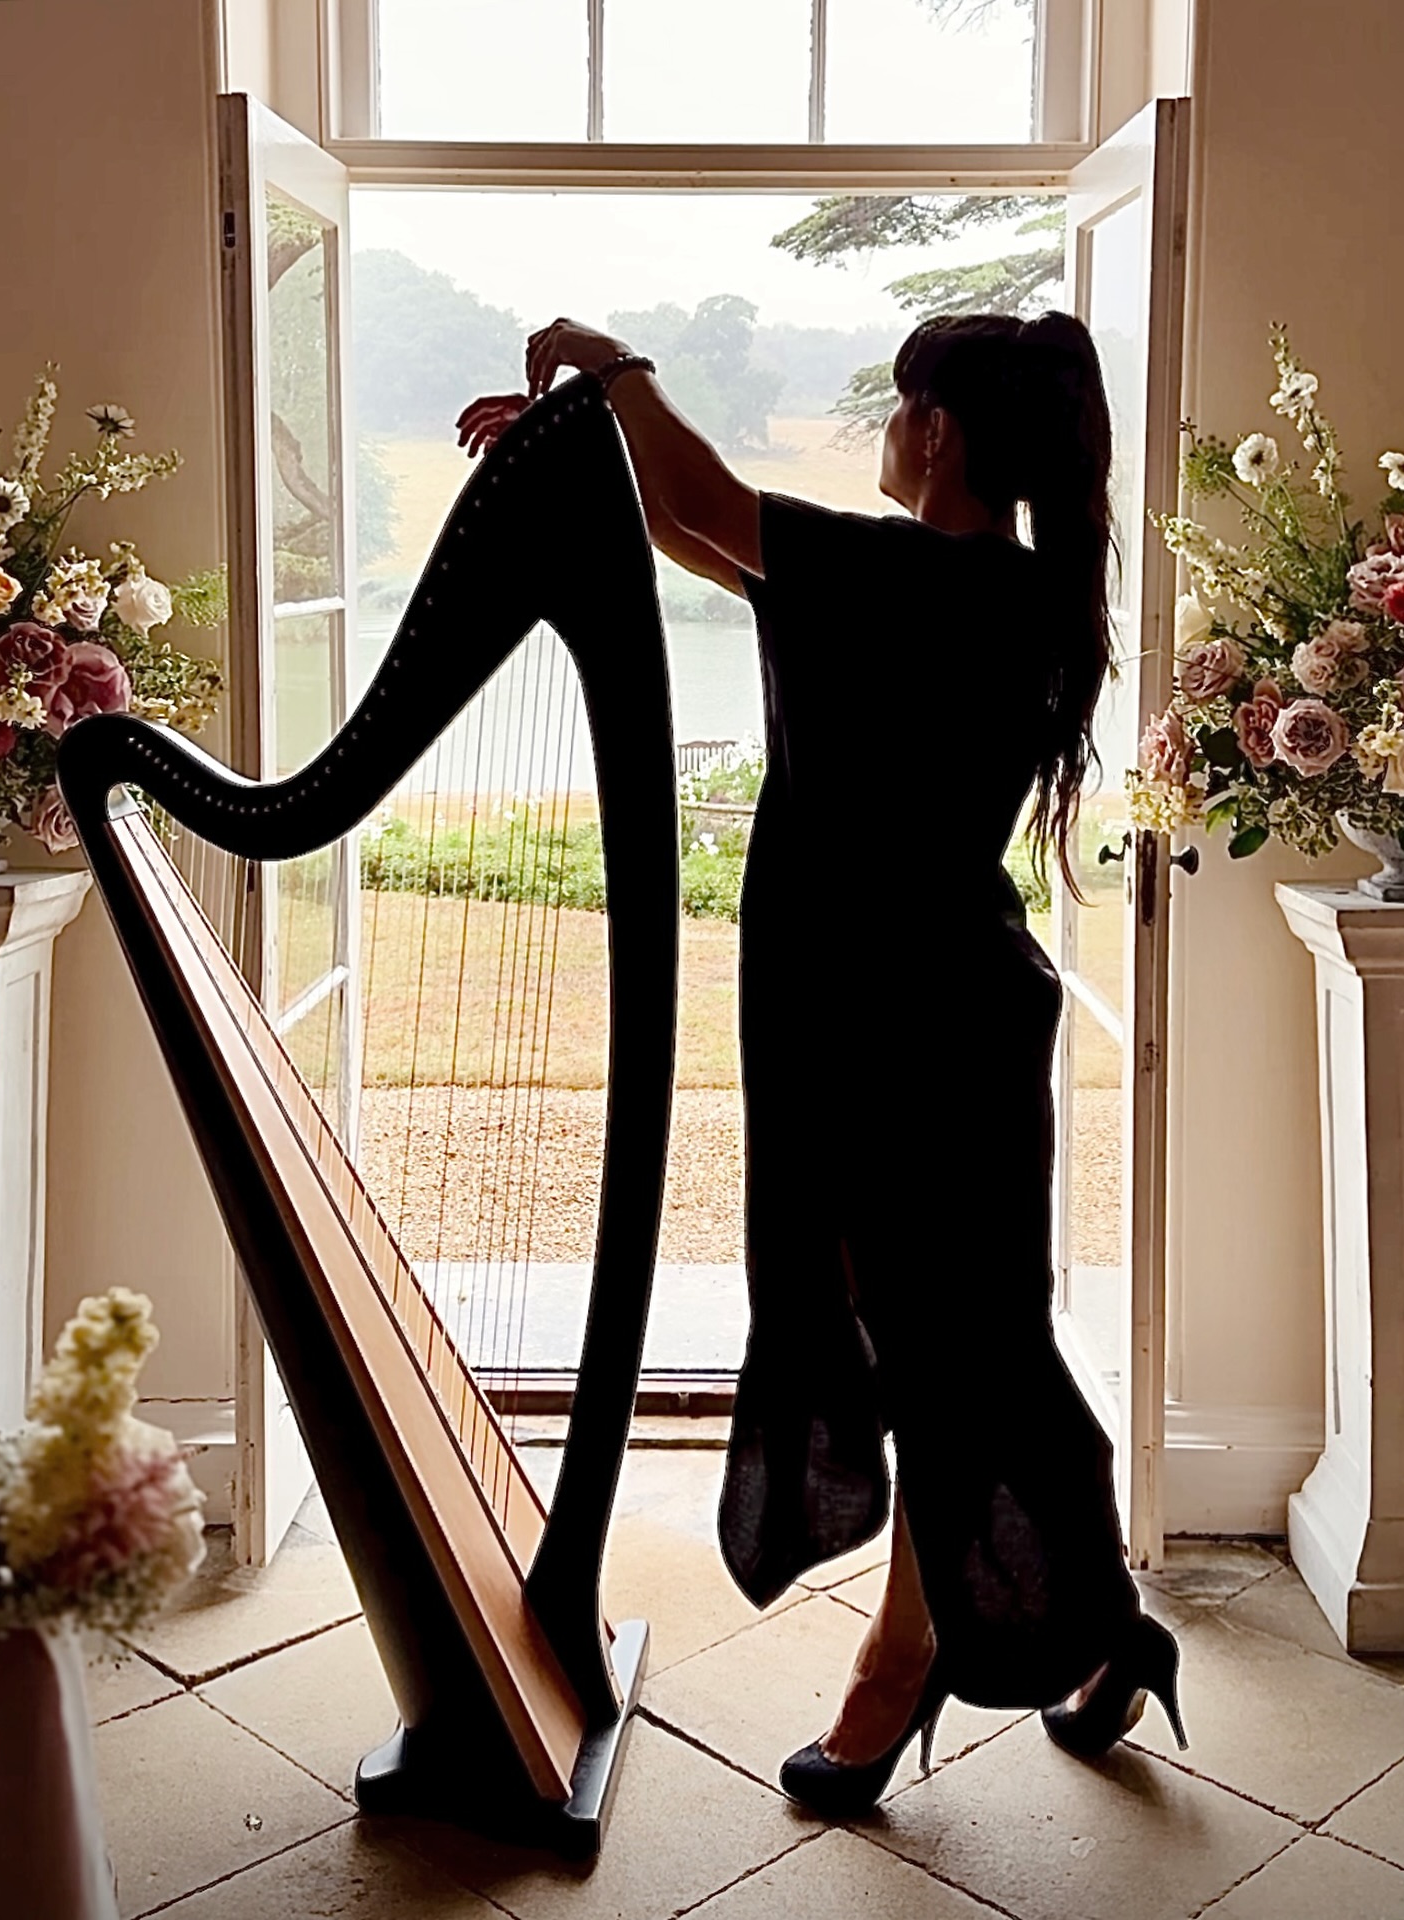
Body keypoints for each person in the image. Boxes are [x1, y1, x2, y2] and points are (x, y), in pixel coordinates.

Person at [457, 311, 1187, 1817]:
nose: (892, 418)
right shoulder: (962, 586)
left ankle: (905, 1660)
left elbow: (715, 509)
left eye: (904, 397)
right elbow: (697, 534)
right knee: (947, 1337)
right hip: (890, 1016)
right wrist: (578, 442)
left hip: (919, 1029)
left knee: (947, 1344)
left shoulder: (945, 584)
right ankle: (1098, 1630)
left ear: (939, 430)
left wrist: (611, 365)